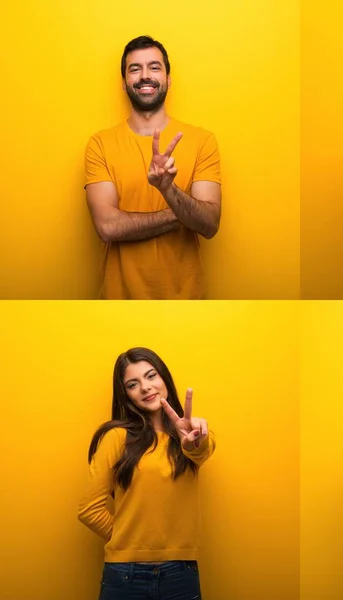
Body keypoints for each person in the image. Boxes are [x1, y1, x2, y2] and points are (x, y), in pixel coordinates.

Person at [85, 36, 222, 299]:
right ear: (124, 83)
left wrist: (168, 190)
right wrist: (179, 214)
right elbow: (107, 227)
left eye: (154, 67)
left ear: (168, 79)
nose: (145, 76)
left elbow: (209, 224)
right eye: (135, 69)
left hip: (187, 299)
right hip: (117, 299)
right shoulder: (99, 144)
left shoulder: (203, 141)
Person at [78, 347, 215, 599]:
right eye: (133, 384)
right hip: (125, 574)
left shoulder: (191, 436)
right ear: (126, 395)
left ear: (164, 378)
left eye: (151, 376)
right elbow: (89, 509)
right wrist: (129, 540)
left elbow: (201, 451)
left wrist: (193, 440)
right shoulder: (116, 437)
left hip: (181, 574)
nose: (145, 387)